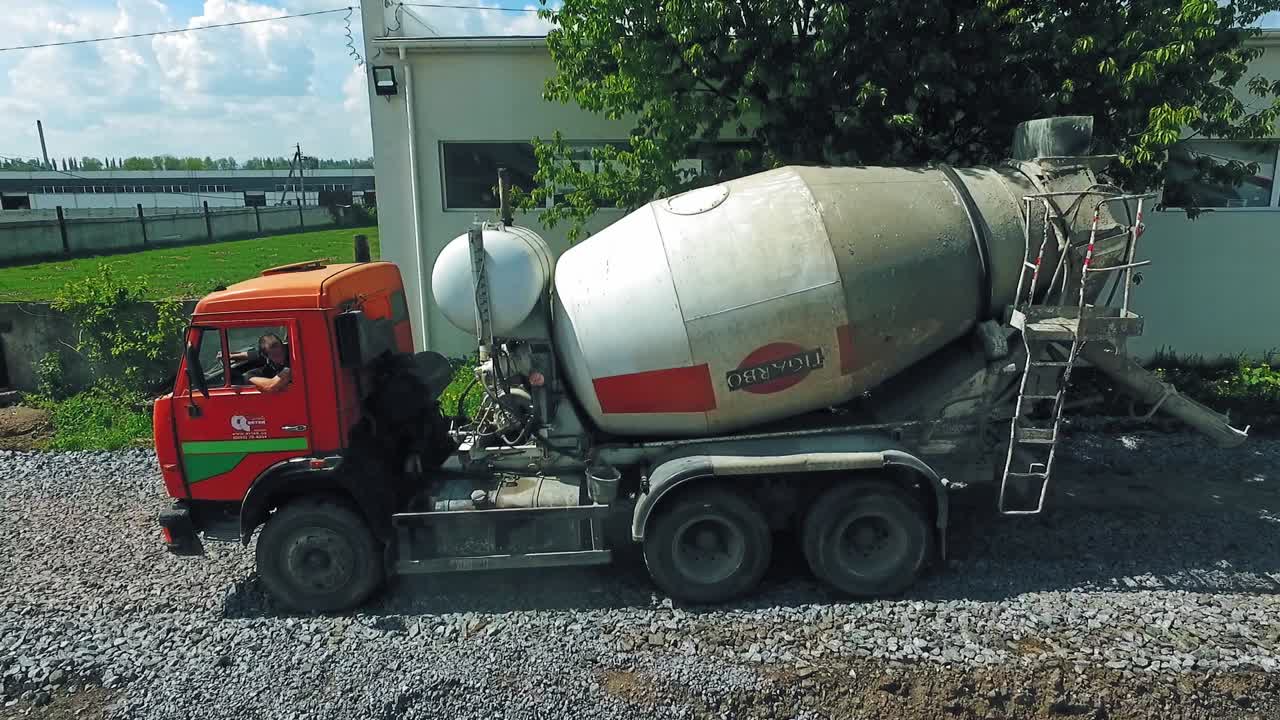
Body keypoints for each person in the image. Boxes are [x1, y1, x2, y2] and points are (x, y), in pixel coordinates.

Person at [227, 333, 292, 393]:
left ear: (283, 347)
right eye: (275, 355)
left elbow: (272, 386)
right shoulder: (265, 354)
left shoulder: (292, 359)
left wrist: (247, 378)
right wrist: (229, 356)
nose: (280, 357)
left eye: (281, 352)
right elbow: (251, 355)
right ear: (266, 356)